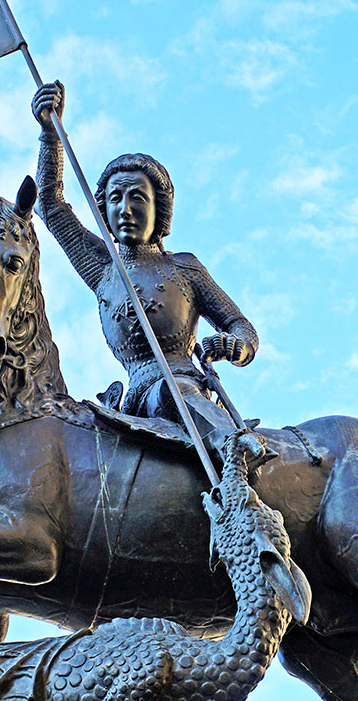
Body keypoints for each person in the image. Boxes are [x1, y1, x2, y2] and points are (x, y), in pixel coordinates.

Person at [31, 81, 258, 438]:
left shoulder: (183, 268)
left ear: (158, 210)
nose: (125, 209)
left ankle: (234, 459)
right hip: (130, 400)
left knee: (174, 394)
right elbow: (50, 205)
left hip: (180, 388)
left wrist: (235, 345)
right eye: (115, 198)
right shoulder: (103, 270)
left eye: (137, 197)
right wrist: (50, 135)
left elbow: (240, 326)